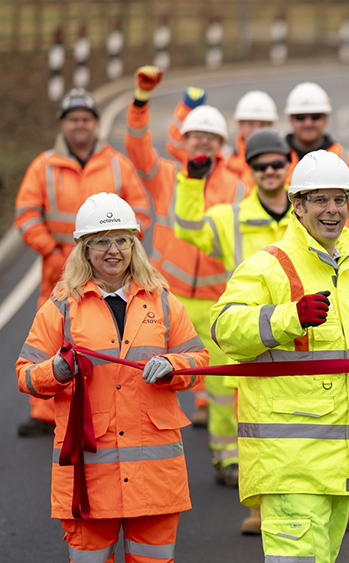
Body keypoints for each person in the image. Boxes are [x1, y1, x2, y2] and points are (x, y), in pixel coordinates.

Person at [210, 150, 349, 563]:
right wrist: (290, 317)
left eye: (340, 199)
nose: (333, 210)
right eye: (320, 200)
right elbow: (225, 328)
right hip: (289, 463)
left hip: (339, 461)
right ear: (298, 205)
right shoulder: (269, 265)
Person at [174, 128, 349, 534]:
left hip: (306, 351)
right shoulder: (234, 220)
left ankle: (329, 500)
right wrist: (191, 182)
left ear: (287, 171)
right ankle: (262, 507)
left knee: (320, 421)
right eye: (259, 165)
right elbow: (189, 226)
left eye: (276, 164)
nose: (268, 170)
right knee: (254, 424)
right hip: (257, 342)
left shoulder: (327, 232)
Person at [16, 192, 207, 563]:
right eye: (101, 241)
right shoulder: (60, 307)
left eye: (122, 240)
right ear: (84, 250)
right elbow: (26, 375)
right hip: (90, 478)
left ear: (134, 245)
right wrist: (55, 371)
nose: (113, 250)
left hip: (154, 478)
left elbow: (197, 360)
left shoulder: (164, 301)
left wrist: (173, 366)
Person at [14, 88, 150, 438]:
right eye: (73, 119)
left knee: (104, 332)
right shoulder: (43, 166)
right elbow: (26, 213)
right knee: (50, 335)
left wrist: (122, 249)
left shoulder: (118, 165)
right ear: (63, 124)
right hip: (59, 265)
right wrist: (51, 250)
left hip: (109, 266)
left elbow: (141, 211)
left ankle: (100, 403)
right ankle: (45, 411)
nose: (80, 126)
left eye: (86, 119)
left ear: (95, 123)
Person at [126, 65, 249, 444]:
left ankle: (226, 455)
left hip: (216, 303)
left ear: (221, 144)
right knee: (152, 376)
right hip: (167, 298)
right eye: (196, 136)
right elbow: (136, 146)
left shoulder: (239, 188)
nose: (202, 143)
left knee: (224, 388)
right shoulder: (165, 176)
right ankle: (147, 444)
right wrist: (141, 100)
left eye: (210, 138)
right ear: (185, 139)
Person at [284, 81, 349, 234]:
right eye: (300, 117)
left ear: (326, 119)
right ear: (291, 120)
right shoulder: (275, 161)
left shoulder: (347, 159)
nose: (308, 123)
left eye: (315, 117)